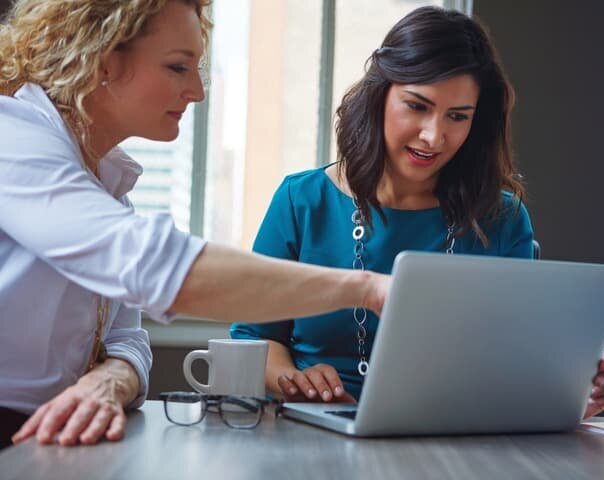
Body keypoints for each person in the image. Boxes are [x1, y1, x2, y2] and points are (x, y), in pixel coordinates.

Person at [0, 0, 388, 449]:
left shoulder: (108, 187)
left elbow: (130, 340)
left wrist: (108, 380)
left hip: (41, 436)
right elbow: (159, 267)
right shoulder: (13, 135)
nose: (197, 92)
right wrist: (366, 288)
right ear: (103, 61)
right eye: (178, 67)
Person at [231, 6, 604, 417]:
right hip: (314, 433)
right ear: (380, 94)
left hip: (454, 440)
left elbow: (519, 358)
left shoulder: (502, 219)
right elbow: (252, 336)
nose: (434, 136)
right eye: (417, 106)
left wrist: (577, 389)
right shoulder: (301, 201)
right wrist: (293, 381)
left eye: (457, 116)